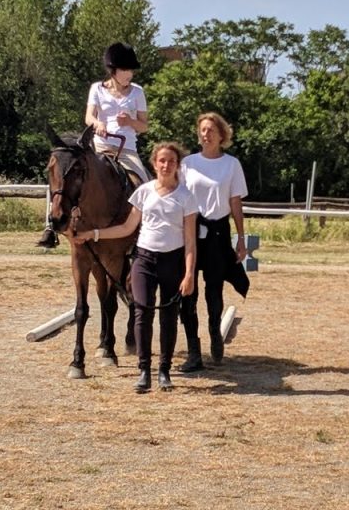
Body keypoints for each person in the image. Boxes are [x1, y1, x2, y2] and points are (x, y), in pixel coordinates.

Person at [72, 142, 196, 393]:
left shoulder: (186, 197)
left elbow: (190, 239)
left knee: (169, 316)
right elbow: (127, 228)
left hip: (172, 259)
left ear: (177, 165)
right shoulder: (143, 192)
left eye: (171, 161)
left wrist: (190, 273)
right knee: (142, 312)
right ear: (155, 163)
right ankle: (143, 370)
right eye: (162, 160)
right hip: (144, 259)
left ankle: (164, 370)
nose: (166, 165)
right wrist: (93, 234)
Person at [178, 112, 250, 372]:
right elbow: (179, 197)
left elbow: (235, 202)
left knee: (214, 289)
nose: (205, 135)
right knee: (188, 291)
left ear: (221, 135)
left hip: (218, 232)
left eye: (210, 130)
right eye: (202, 130)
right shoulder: (187, 163)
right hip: (190, 230)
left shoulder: (231, 165)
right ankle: (193, 351)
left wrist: (241, 238)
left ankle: (214, 331)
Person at [85, 42, 151, 183]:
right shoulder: (96, 88)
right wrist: (97, 124)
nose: (130, 74)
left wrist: (130, 122)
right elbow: (88, 117)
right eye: (125, 70)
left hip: (126, 150)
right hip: (100, 147)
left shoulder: (138, 92)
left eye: (131, 70)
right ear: (112, 70)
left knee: (144, 187)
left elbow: (144, 127)